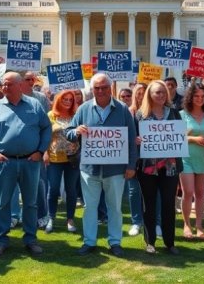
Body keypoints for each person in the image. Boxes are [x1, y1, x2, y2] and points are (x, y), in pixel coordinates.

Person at [66, 73, 137, 257]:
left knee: (114, 207)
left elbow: (130, 140)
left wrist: (131, 165)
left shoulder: (122, 110)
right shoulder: (83, 109)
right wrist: (76, 131)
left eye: (104, 87)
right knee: (90, 207)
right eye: (97, 88)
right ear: (92, 89)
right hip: (90, 169)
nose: (100, 91)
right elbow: (68, 133)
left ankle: (115, 242)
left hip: (116, 169)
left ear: (110, 87)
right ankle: (89, 241)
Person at [0, 72, 51, 257]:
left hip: (30, 162)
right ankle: (2, 240)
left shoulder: (35, 105)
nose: (5, 87)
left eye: (9, 84)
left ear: (20, 86)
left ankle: (30, 239)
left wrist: (40, 151)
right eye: (3, 84)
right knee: (2, 203)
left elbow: (46, 129)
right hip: (5, 162)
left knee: (30, 203)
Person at [134, 80, 183, 255]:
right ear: (150, 95)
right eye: (157, 92)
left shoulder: (175, 114)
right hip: (147, 167)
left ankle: (170, 242)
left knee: (169, 204)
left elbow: (180, 136)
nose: (161, 95)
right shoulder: (141, 115)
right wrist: (137, 140)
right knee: (149, 204)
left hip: (170, 167)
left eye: (163, 92)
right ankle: (150, 241)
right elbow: (134, 137)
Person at [179, 83, 204, 239]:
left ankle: (199, 225)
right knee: (188, 192)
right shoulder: (181, 115)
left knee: (200, 193)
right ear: (190, 97)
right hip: (186, 158)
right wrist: (193, 138)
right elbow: (175, 137)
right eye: (196, 96)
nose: (199, 99)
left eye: (202, 96)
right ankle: (187, 224)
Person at [44, 90, 80, 233]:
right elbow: (45, 135)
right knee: (53, 189)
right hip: (54, 157)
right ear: (59, 99)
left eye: (70, 99)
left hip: (72, 157)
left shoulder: (76, 116)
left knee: (71, 190)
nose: (67, 101)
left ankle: (70, 219)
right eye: (64, 99)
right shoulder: (50, 116)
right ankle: (51, 218)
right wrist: (45, 152)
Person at [21, 71, 51, 229]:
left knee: (40, 184)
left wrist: (43, 149)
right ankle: (17, 216)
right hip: (16, 151)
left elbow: (46, 125)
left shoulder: (41, 98)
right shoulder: (10, 98)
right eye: (28, 79)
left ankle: (42, 215)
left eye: (34, 79)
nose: (32, 82)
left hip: (36, 149)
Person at [126, 82, 146, 236]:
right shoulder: (129, 112)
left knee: (153, 192)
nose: (141, 95)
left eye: (144, 92)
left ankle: (154, 221)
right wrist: (133, 139)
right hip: (133, 158)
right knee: (133, 191)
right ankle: (136, 222)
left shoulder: (153, 112)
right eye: (138, 92)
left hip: (152, 158)